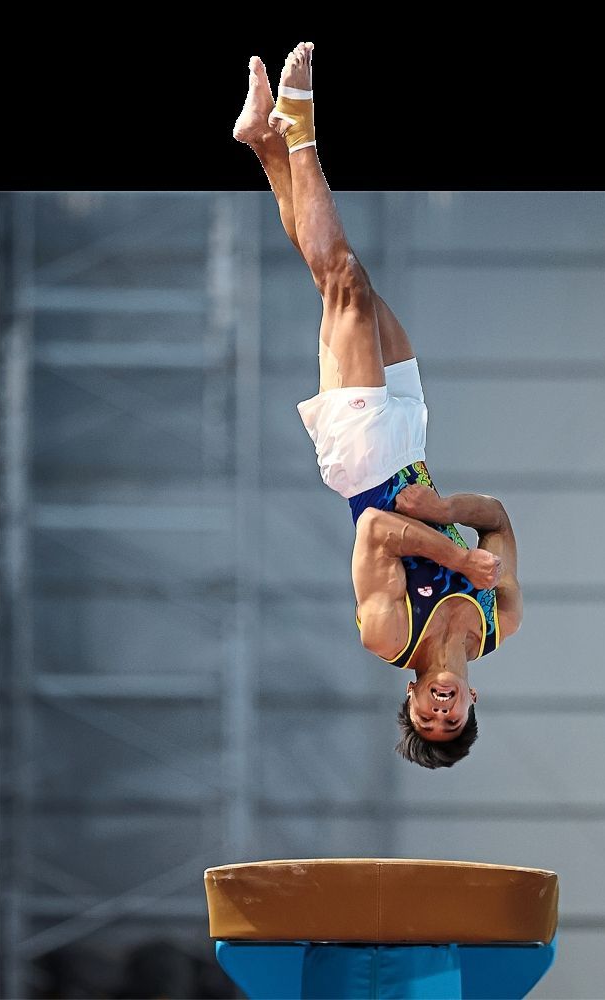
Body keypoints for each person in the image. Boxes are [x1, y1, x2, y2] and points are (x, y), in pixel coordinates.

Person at [233, 42, 522, 768]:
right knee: (338, 275)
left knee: (346, 283)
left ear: (413, 700)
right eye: (449, 722)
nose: (439, 710)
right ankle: (265, 144)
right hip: (412, 439)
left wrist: (451, 548)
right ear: (472, 706)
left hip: (362, 459)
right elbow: (498, 517)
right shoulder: (501, 618)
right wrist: (452, 507)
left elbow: (374, 538)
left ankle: (297, 127)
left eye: (424, 717)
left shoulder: (387, 634)